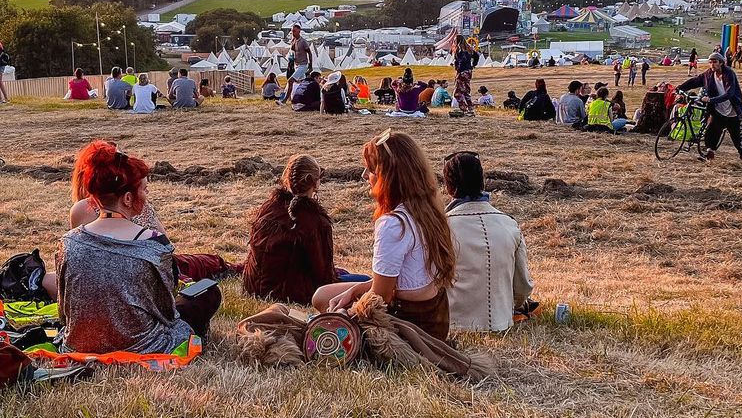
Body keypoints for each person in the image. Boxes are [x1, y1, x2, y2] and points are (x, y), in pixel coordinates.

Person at [56, 141, 221, 353]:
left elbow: (64, 311)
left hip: (79, 345)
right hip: (141, 346)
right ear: (127, 198)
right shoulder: (153, 245)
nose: (146, 195)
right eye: (144, 189)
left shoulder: (67, 243)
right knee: (207, 293)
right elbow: (166, 312)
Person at [312, 131, 456, 340]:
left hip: (408, 321)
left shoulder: (393, 224)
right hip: (434, 316)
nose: (364, 176)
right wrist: (354, 291)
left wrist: (350, 312)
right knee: (326, 295)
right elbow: (396, 283)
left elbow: (382, 296)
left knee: (323, 299)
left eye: (370, 170)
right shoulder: (427, 210)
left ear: (387, 177)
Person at [443, 152, 534, 333]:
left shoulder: (440, 227)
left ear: (448, 187)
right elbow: (523, 286)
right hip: (501, 321)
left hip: (452, 321)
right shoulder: (509, 224)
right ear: (482, 182)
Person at [243, 154, 340, 304]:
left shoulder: (268, 207)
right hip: (292, 294)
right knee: (363, 280)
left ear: (287, 179)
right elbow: (324, 275)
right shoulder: (316, 221)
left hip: (252, 287)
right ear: (315, 183)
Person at [677, 52, 742, 161]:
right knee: (712, 131)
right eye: (710, 62)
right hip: (718, 109)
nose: (712, 65)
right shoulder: (709, 74)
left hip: (732, 110)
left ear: (721, 63)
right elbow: (695, 81)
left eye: (715, 62)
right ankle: (709, 153)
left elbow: (730, 93)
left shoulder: (729, 74)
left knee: (737, 137)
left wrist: (711, 100)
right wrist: (680, 88)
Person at [453, 34, 480, 117]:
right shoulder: (469, 49)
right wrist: (473, 65)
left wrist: (458, 69)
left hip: (462, 72)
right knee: (466, 91)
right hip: (468, 71)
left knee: (457, 92)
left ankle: (464, 108)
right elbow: (477, 56)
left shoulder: (459, 50)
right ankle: (470, 109)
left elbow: (461, 60)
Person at [0, 40, 9, 105]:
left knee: (0, 81)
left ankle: (3, 99)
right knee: (0, 81)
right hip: (1, 64)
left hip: (0, 64)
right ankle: (4, 98)